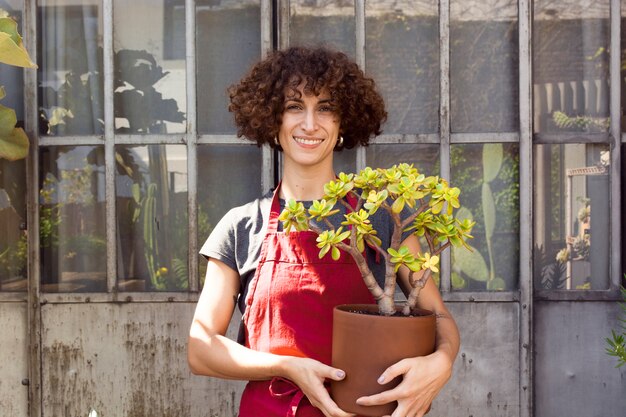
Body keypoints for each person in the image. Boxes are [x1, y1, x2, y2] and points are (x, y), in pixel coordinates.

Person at [188, 46, 460, 417]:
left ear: (343, 122)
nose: (310, 124)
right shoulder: (242, 226)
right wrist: (285, 366)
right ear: (272, 119)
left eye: (326, 108)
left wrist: (441, 363)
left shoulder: (381, 218)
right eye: (294, 106)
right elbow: (201, 349)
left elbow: (438, 315)